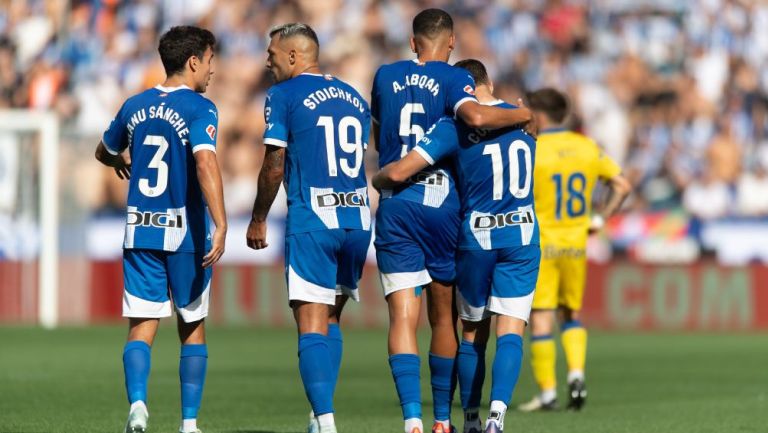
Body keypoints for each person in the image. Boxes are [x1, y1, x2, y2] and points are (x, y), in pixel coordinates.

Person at [371, 9, 535, 433]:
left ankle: (425, 420)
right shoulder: (511, 123)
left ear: (412, 42)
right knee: (467, 323)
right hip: (493, 223)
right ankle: (466, 418)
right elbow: (483, 119)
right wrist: (523, 115)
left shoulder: (391, 79)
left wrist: (381, 176)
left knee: (432, 323)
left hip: (422, 211)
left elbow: (388, 143)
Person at [94, 26, 226, 433]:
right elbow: (205, 163)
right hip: (186, 234)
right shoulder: (201, 108)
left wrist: (117, 161)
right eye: (209, 60)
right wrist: (221, 222)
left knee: (141, 326)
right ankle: (189, 424)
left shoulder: (135, 104)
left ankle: (137, 406)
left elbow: (104, 150)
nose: (213, 70)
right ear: (192, 62)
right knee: (192, 328)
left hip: (141, 231)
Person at [245, 23, 372, 433]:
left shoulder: (282, 95)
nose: (268, 61)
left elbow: (274, 163)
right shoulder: (354, 96)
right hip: (356, 218)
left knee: (311, 323)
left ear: (295, 56)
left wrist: (260, 216)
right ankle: (320, 417)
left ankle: (326, 422)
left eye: (273, 55)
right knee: (332, 319)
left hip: (313, 219)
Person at [517, 88, 631, 412]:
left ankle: (548, 393)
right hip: (576, 244)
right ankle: (577, 375)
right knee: (571, 314)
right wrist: (600, 218)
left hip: (541, 243)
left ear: (537, 114)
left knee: (540, 318)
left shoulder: (533, 147)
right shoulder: (586, 147)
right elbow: (623, 185)